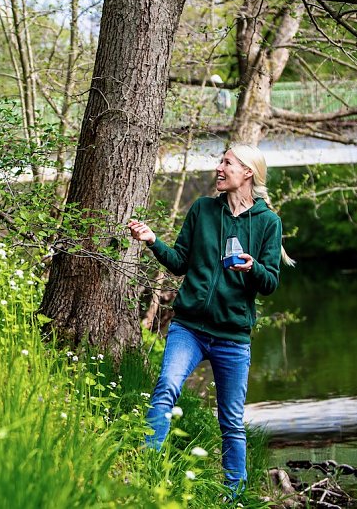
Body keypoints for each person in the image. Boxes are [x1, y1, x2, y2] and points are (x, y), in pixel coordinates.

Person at [127, 143, 294, 494]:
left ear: (247, 172)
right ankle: (148, 473)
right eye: (220, 161)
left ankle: (234, 495)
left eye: (227, 162)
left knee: (231, 421)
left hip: (233, 337)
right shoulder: (202, 210)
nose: (219, 167)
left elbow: (270, 284)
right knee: (165, 390)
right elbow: (179, 262)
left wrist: (253, 268)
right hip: (189, 327)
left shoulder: (268, 223)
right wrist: (153, 240)